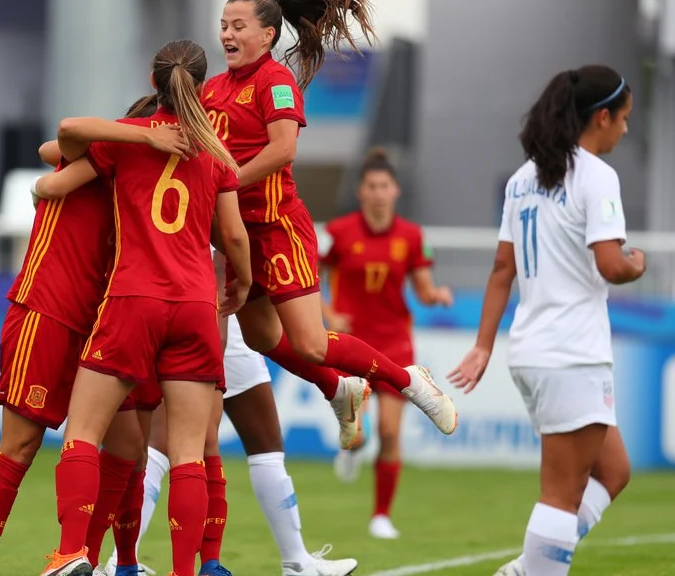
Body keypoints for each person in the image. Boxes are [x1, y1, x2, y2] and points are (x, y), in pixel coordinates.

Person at [32, 39, 252, 576]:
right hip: (197, 306)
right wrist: (240, 285)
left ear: (152, 85)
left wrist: (42, 185)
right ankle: (183, 571)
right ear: (201, 88)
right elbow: (236, 239)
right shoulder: (217, 155)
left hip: (133, 300)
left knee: (82, 432)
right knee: (189, 455)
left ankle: (70, 555)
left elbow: (53, 175)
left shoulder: (127, 142)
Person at [203, 0, 458, 455]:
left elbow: (282, 150)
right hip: (235, 237)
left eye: (238, 26)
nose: (227, 35)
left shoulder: (275, 81)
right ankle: (339, 391)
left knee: (311, 343)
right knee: (262, 337)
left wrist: (225, 183)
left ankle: (408, 381)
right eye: (223, 26)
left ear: (266, 35)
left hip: (277, 229)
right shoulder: (212, 90)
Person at [0, 109, 186, 576]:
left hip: (102, 322)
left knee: (128, 446)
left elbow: (51, 159)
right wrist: (142, 136)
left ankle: (97, 561)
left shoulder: (138, 179)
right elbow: (62, 138)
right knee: (20, 446)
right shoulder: (105, 155)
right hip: (45, 310)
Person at [447, 65, 640, 576]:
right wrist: (637, 262)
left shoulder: (523, 177)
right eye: (623, 119)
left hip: (534, 351)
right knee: (560, 493)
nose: (625, 129)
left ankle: (525, 568)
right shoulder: (597, 176)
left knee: (614, 471)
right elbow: (611, 264)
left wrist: (484, 345)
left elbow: (501, 269)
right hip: (571, 353)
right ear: (601, 117)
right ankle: (535, 569)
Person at [103, 252, 360, 576]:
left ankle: (296, 561)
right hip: (204, 308)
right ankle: (122, 559)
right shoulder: (239, 205)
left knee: (262, 441)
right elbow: (225, 249)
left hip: (221, 314)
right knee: (172, 439)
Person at [320, 148, 454, 540]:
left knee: (391, 433)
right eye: (371, 186)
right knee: (357, 434)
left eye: (384, 186)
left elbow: (424, 289)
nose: (378, 193)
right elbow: (310, 273)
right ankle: (354, 448)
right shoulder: (340, 232)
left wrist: (437, 295)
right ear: (361, 192)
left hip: (394, 343)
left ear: (395, 191)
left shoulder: (412, 237)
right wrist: (328, 311)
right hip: (350, 344)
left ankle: (381, 516)